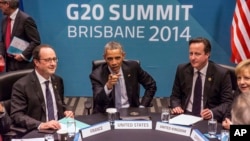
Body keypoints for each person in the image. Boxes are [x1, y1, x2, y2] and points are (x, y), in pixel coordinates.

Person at [10, 44, 74, 131]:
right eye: (48, 60)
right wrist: (41, 125)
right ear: (36, 62)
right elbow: (17, 115)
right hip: (38, 131)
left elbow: (61, 103)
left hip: (59, 128)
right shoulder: (21, 85)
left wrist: (67, 111)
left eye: (54, 59)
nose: (53, 64)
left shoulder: (58, 80)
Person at [170, 37, 233, 122]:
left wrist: (212, 112)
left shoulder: (221, 74)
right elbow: (175, 96)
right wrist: (176, 106)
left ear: (207, 54)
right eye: (191, 53)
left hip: (206, 119)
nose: (192, 58)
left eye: (197, 54)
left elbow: (227, 103)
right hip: (185, 115)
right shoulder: (182, 70)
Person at [89, 41, 157, 113]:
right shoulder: (96, 75)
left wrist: (142, 106)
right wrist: (108, 86)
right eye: (110, 58)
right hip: (107, 114)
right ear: (105, 58)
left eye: (117, 58)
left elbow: (151, 85)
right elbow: (98, 101)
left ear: (123, 56)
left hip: (131, 112)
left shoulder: (133, 67)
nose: (114, 63)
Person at [0, 0, 41, 72]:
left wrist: (23, 55)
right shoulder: (4, 21)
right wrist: (1, 54)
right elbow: (3, 41)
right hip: (9, 64)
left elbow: (36, 41)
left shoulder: (26, 19)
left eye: (0, 3)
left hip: (23, 65)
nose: (0, 6)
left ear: (7, 4)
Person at [222, 59, 250, 129]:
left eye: (246, 78)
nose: (241, 82)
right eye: (239, 78)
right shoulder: (239, 92)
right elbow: (228, 113)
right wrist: (226, 121)